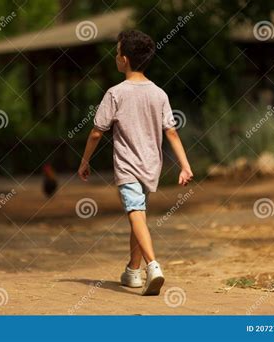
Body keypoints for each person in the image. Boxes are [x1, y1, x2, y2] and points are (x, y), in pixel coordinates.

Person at [78, 30, 193, 295]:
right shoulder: (159, 94)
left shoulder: (115, 93)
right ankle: (133, 271)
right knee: (137, 214)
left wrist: (85, 162)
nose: (115, 57)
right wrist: (185, 165)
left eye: (117, 52)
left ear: (125, 59)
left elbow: (97, 132)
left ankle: (153, 266)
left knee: (135, 213)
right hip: (152, 166)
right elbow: (171, 132)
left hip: (128, 166)